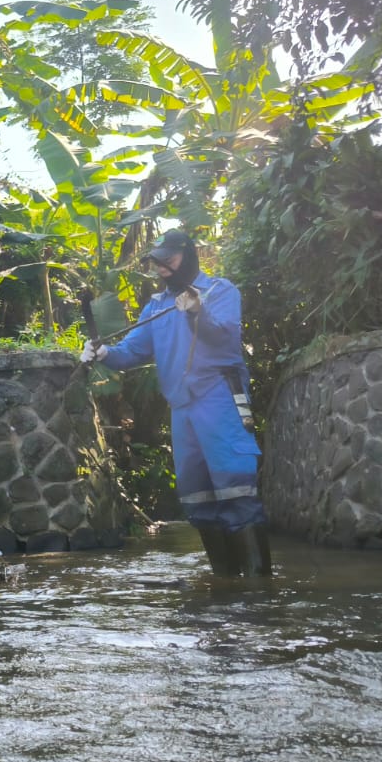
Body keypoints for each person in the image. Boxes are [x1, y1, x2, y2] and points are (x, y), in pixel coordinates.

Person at [82, 230, 271, 576]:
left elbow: (226, 337)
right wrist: (105, 353)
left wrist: (197, 311)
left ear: (189, 255)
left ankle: (260, 594)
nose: (163, 267)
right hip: (182, 409)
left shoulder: (219, 291)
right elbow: (132, 351)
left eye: (170, 259)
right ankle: (225, 585)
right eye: (159, 261)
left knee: (236, 488)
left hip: (219, 399)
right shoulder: (156, 305)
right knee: (196, 496)